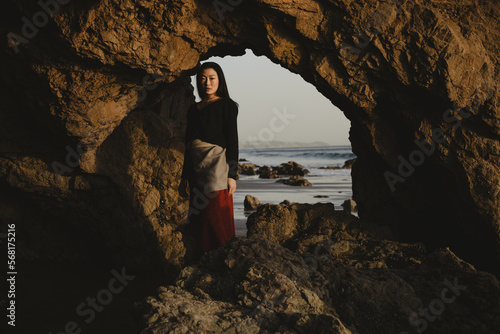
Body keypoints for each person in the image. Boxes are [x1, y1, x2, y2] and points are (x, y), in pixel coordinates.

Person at [178, 61, 239, 253]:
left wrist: (232, 175)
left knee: (215, 212)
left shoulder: (227, 105)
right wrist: (184, 177)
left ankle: (221, 255)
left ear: (219, 80)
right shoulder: (193, 109)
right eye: (203, 78)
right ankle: (200, 260)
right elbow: (188, 144)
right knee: (198, 217)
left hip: (216, 166)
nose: (207, 83)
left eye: (212, 78)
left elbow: (232, 141)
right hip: (196, 167)